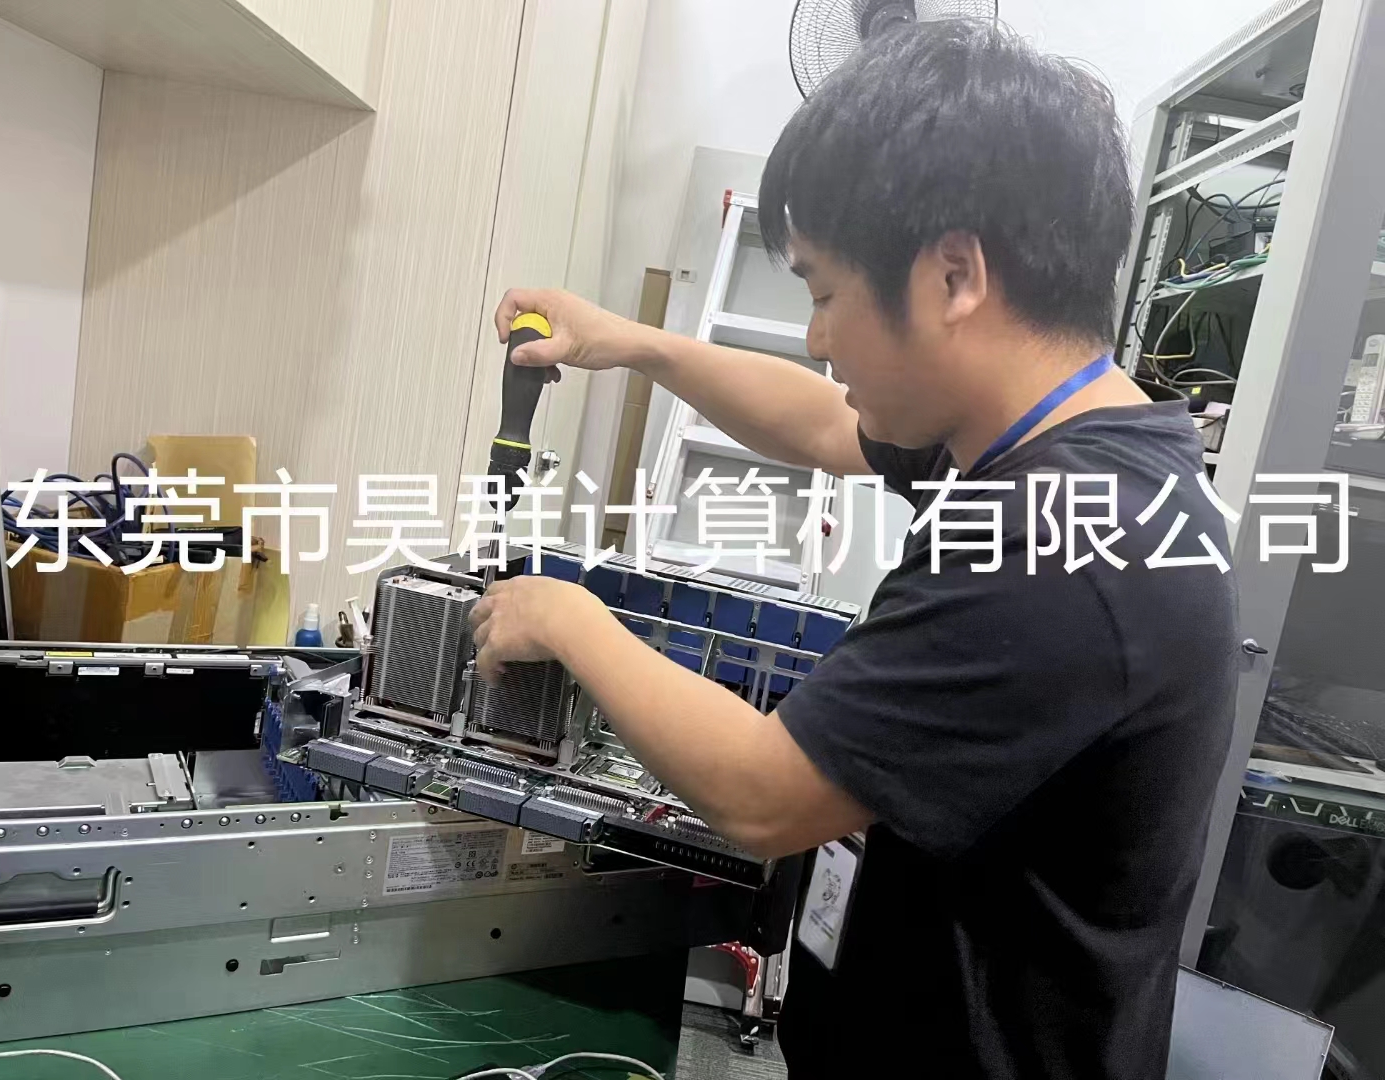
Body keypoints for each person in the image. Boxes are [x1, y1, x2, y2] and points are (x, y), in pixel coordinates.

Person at [470, 18, 1237, 1080]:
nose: (818, 337)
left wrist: (567, 618)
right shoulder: (1044, 447)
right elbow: (825, 424)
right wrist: (632, 343)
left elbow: (766, 796)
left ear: (955, 275)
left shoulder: (1060, 538)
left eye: (826, 294)